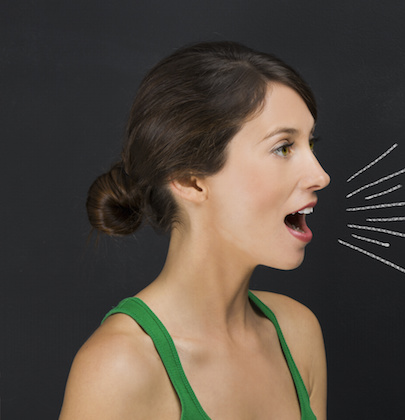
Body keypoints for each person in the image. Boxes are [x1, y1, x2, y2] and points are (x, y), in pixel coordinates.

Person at [59, 41, 330, 420]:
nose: (320, 175)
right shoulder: (120, 366)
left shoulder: (298, 333)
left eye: (311, 143)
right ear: (190, 180)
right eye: (284, 147)